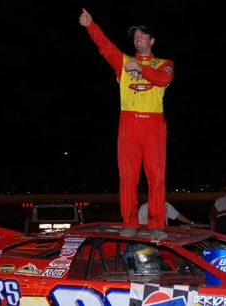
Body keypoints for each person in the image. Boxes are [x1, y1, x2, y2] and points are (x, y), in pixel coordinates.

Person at [79, 9, 175, 239]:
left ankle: (156, 225)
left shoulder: (165, 63)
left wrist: (141, 68)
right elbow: (105, 46)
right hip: (128, 124)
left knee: (156, 176)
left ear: (151, 40)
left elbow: (164, 79)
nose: (137, 39)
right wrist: (91, 25)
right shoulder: (123, 62)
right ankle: (130, 222)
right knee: (127, 177)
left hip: (153, 125)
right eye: (135, 37)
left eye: (142, 36)